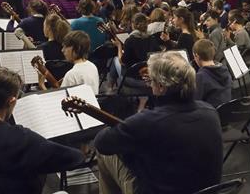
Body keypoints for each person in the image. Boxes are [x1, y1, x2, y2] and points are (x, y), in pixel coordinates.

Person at [94, 51, 223, 194]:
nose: (150, 85)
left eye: (152, 81)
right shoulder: (210, 112)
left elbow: (101, 143)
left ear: (161, 87)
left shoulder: (149, 121)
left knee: (106, 155)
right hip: (206, 191)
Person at [193, 39, 232, 108]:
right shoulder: (224, 69)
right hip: (227, 111)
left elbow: (195, 102)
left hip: (211, 115)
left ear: (197, 56)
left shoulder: (200, 77)